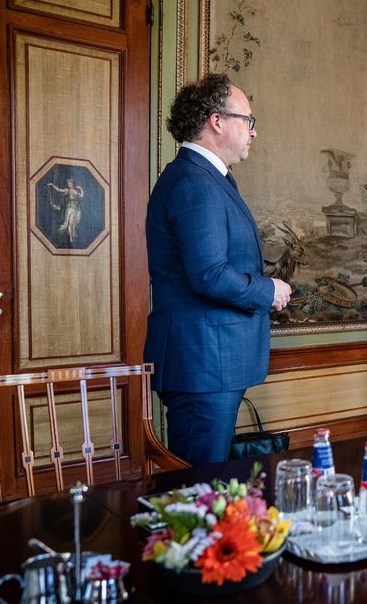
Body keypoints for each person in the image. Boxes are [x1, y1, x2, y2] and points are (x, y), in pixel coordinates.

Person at [144, 73, 291, 465]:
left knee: (207, 493)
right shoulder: (195, 182)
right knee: (197, 493)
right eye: (249, 120)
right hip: (203, 364)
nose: (253, 133)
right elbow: (209, 273)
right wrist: (268, 290)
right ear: (217, 121)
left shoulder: (206, 178)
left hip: (209, 362)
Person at [48, 178, 84, 244]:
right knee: (70, 223)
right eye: (68, 184)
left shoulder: (75, 191)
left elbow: (81, 196)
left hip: (76, 208)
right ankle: (70, 237)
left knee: (74, 222)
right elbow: (58, 190)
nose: (69, 185)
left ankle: (71, 235)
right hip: (70, 207)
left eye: (70, 183)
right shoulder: (67, 190)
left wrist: (81, 188)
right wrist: (52, 185)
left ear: (73, 184)